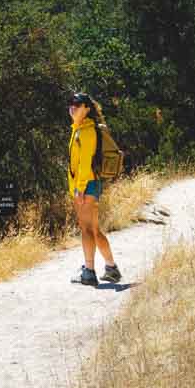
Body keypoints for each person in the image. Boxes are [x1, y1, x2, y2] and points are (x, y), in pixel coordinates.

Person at [67, 91, 118, 285]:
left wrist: (79, 189)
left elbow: (85, 164)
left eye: (77, 104)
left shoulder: (87, 131)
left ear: (86, 109)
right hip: (88, 184)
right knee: (94, 230)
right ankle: (111, 268)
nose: (72, 107)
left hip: (86, 185)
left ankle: (88, 273)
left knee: (87, 229)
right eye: (70, 103)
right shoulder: (79, 128)